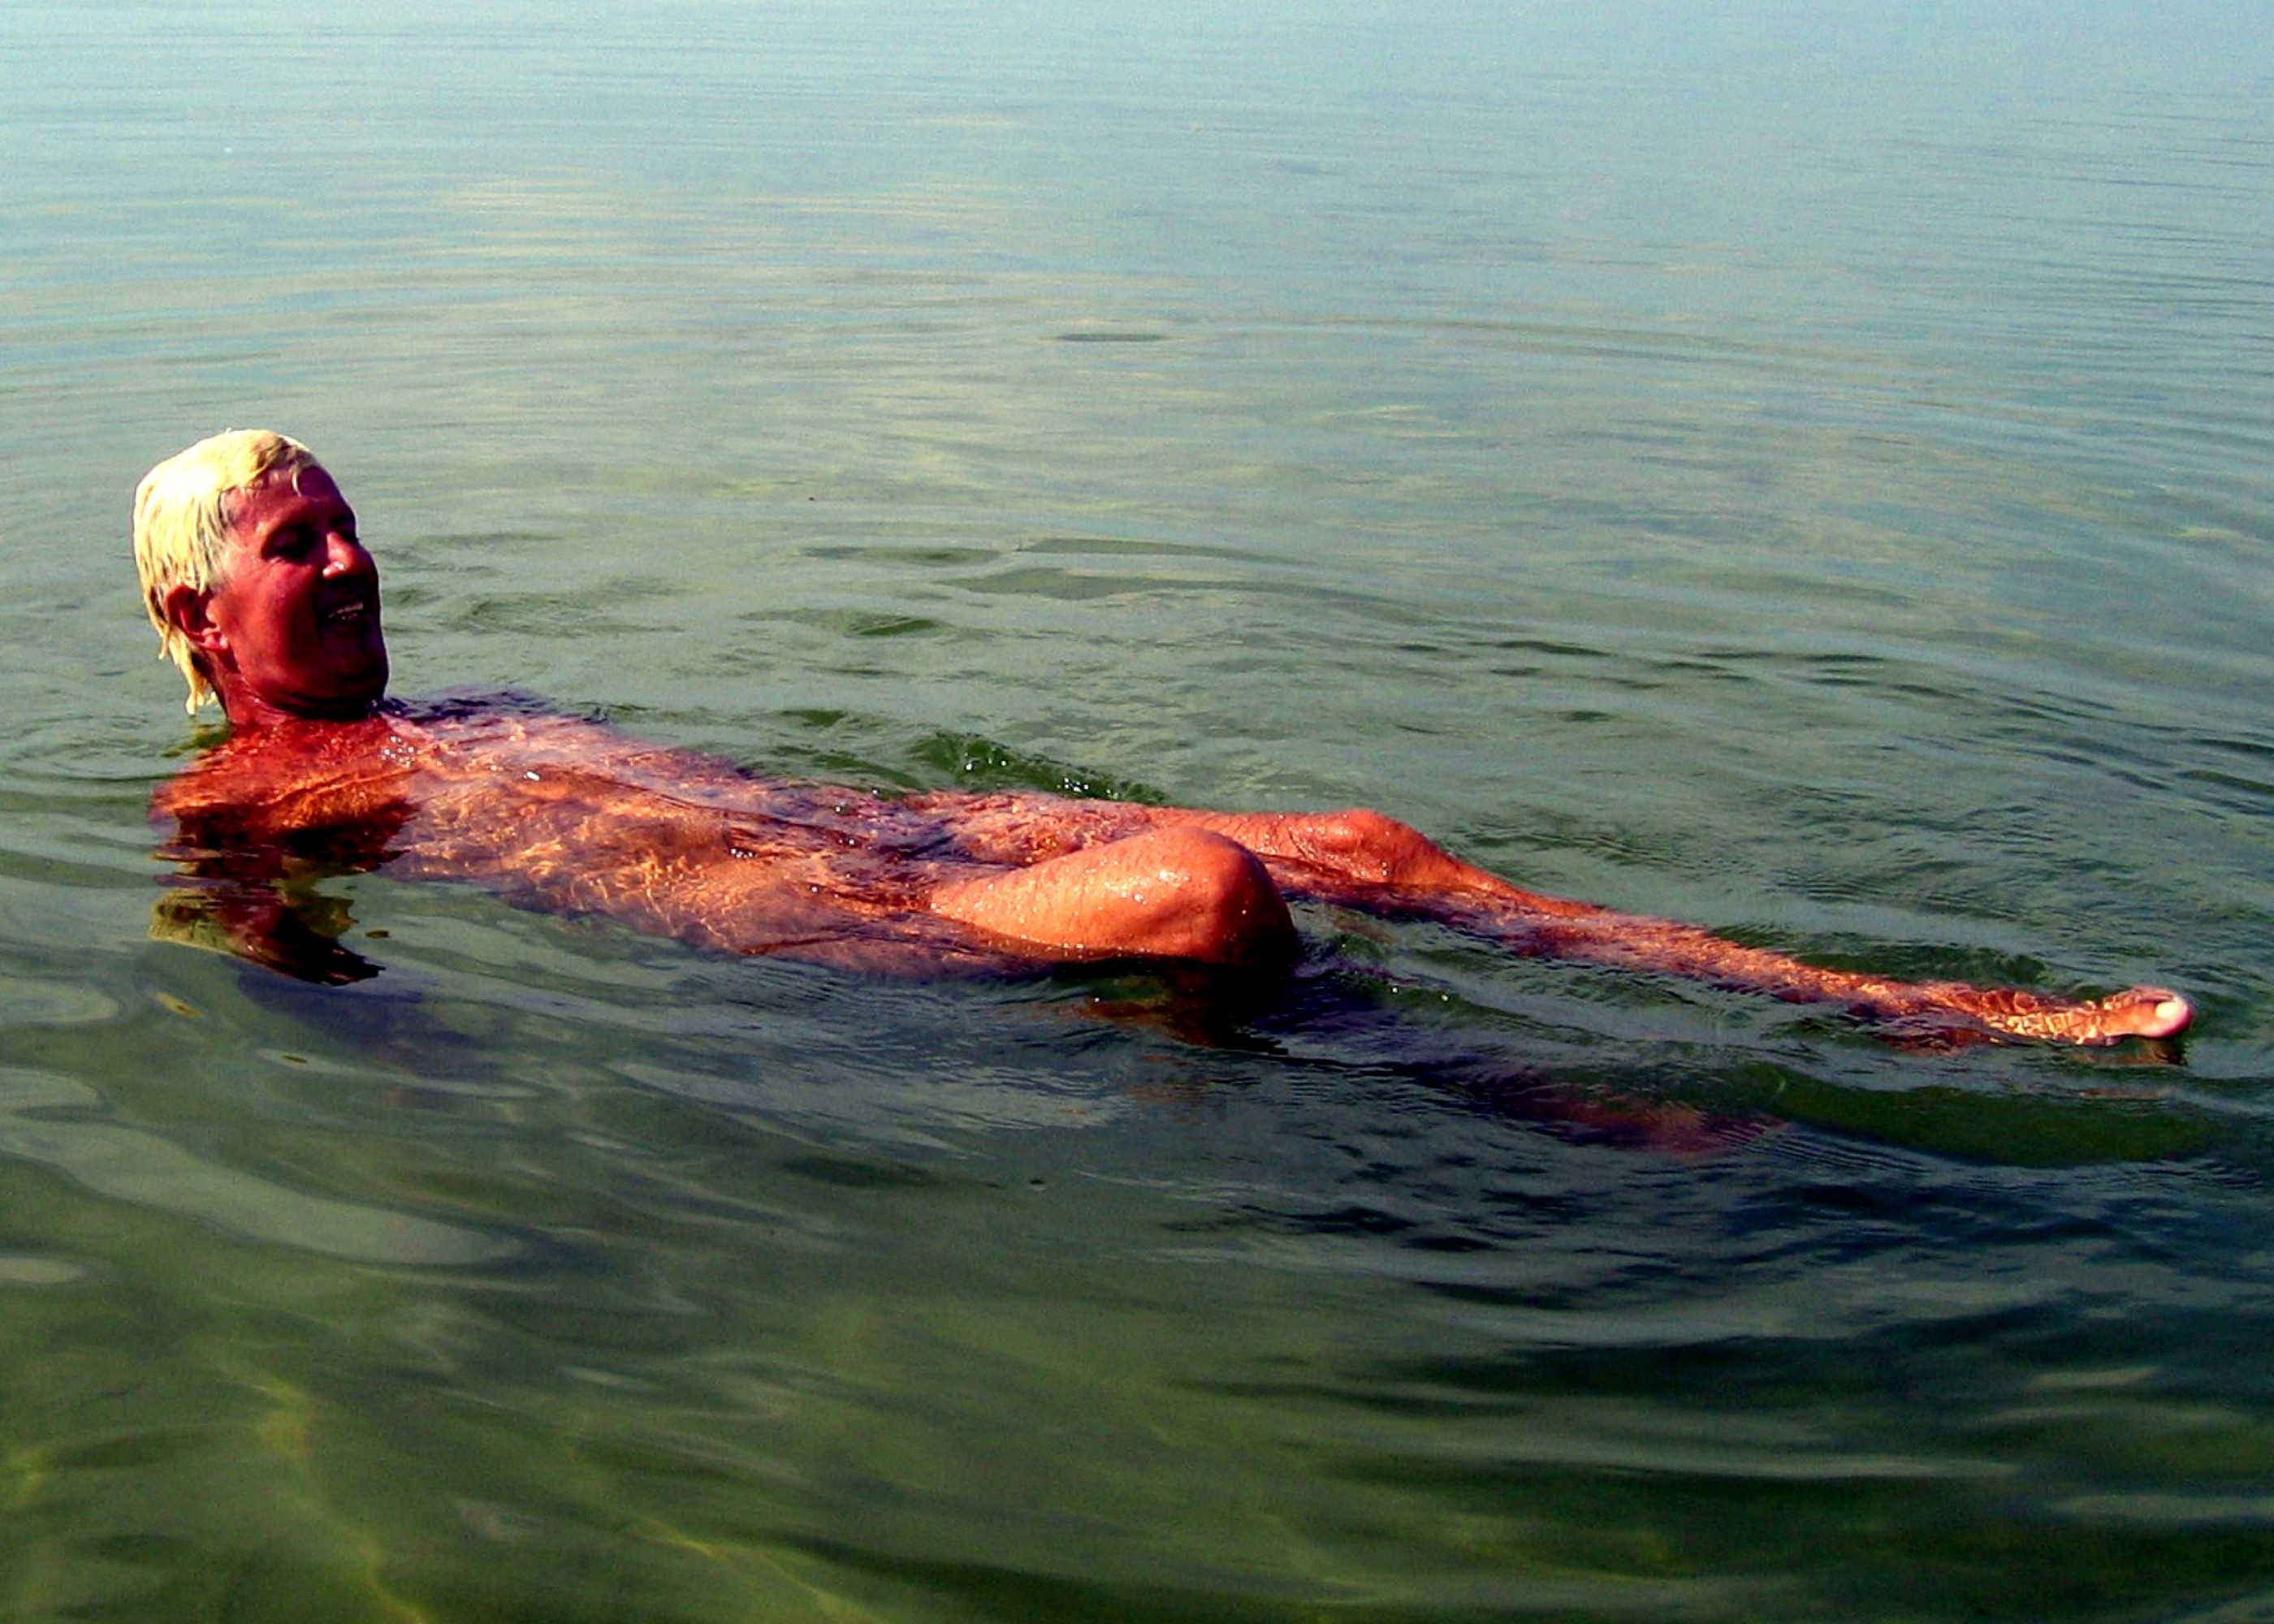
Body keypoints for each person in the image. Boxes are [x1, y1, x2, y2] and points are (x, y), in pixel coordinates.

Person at [136, 429, 2193, 1046]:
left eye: (349, 521)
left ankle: (1904, 1004)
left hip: (899, 832)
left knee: (1359, 839)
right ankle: (1549, 1122)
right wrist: (415, 1062)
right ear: (195, 618)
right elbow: (296, 986)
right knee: (1204, 891)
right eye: (296, 543)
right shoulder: (232, 801)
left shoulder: (463, 713)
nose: (353, 555)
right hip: (838, 924)